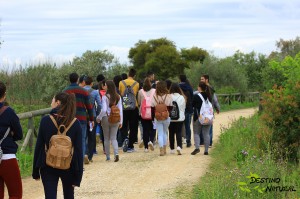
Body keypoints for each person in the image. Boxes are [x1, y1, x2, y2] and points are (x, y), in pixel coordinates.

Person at [32, 92, 83, 199]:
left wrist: (35, 171)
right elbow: (78, 151)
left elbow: (39, 146)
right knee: (69, 196)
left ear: (58, 102)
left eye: (53, 100)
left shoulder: (46, 120)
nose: (51, 102)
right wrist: (78, 177)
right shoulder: (75, 122)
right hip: (69, 165)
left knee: (50, 196)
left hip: (48, 165)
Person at [63, 73, 94, 164]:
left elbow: (62, 106)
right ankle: (80, 163)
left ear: (70, 80)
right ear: (77, 80)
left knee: (69, 140)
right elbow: (89, 107)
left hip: (69, 119)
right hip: (82, 119)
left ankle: (70, 162)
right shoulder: (83, 91)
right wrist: (91, 119)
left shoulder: (65, 91)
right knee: (82, 140)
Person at [0, 81, 23, 199]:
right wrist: (10, 136)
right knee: (15, 194)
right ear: (4, 95)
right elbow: (19, 134)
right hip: (7, 157)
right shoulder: (9, 112)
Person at [97, 80, 123, 162]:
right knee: (114, 138)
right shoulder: (118, 96)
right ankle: (116, 153)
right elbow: (120, 110)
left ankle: (108, 156)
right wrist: (121, 121)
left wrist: (99, 117)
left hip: (106, 118)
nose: (104, 86)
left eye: (105, 85)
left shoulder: (105, 97)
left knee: (106, 138)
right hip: (116, 118)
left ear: (107, 86)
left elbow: (104, 110)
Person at [119, 68, 140, 153]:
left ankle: (125, 140)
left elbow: (121, 93)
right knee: (133, 127)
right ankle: (131, 146)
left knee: (124, 126)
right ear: (134, 75)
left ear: (128, 74)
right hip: (133, 107)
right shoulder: (136, 84)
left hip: (123, 107)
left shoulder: (121, 83)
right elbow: (136, 94)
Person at [151, 81, 173, 156]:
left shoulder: (154, 96)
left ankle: (161, 150)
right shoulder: (169, 96)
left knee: (160, 133)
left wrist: (153, 118)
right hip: (166, 117)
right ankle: (164, 149)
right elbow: (170, 107)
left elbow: (152, 108)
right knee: (165, 132)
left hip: (157, 117)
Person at [83, 76, 101, 163]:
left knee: (83, 135)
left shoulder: (80, 90)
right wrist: (97, 114)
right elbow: (100, 105)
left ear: (84, 82)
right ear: (91, 83)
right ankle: (89, 156)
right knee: (91, 135)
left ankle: (84, 153)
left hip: (82, 116)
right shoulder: (95, 92)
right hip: (92, 117)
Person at [191, 82, 212, 155]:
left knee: (196, 132)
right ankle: (206, 151)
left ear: (199, 87)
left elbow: (192, 105)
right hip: (207, 117)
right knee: (206, 134)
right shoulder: (209, 96)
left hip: (198, 117)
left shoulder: (196, 96)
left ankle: (197, 148)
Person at [200, 75, 220, 147]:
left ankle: (209, 142)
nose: (201, 80)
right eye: (201, 79)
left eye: (202, 79)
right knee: (202, 124)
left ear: (207, 80)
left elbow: (214, 99)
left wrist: (217, 108)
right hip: (202, 109)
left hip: (209, 109)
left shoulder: (210, 88)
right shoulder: (201, 87)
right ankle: (203, 142)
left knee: (209, 125)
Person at [137, 78, 156, 152]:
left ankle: (146, 148)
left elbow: (139, 103)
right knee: (153, 128)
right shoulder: (154, 91)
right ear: (150, 84)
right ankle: (151, 140)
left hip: (143, 114)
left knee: (145, 130)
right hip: (152, 113)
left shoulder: (140, 92)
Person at [168, 83, 186, 155]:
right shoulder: (182, 97)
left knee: (171, 133)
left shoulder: (169, 96)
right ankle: (179, 146)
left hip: (170, 118)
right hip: (180, 118)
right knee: (179, 132)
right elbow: (183, 108)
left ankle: (172, 148)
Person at [179, 74, 194, 148]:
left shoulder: (178, 87)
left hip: (180, 109)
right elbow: (192, 97)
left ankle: (180, 142)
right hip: (188, 108)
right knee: (188, 126)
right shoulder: (189, 87)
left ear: (180, 79)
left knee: (179, 125)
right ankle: (188, 141)